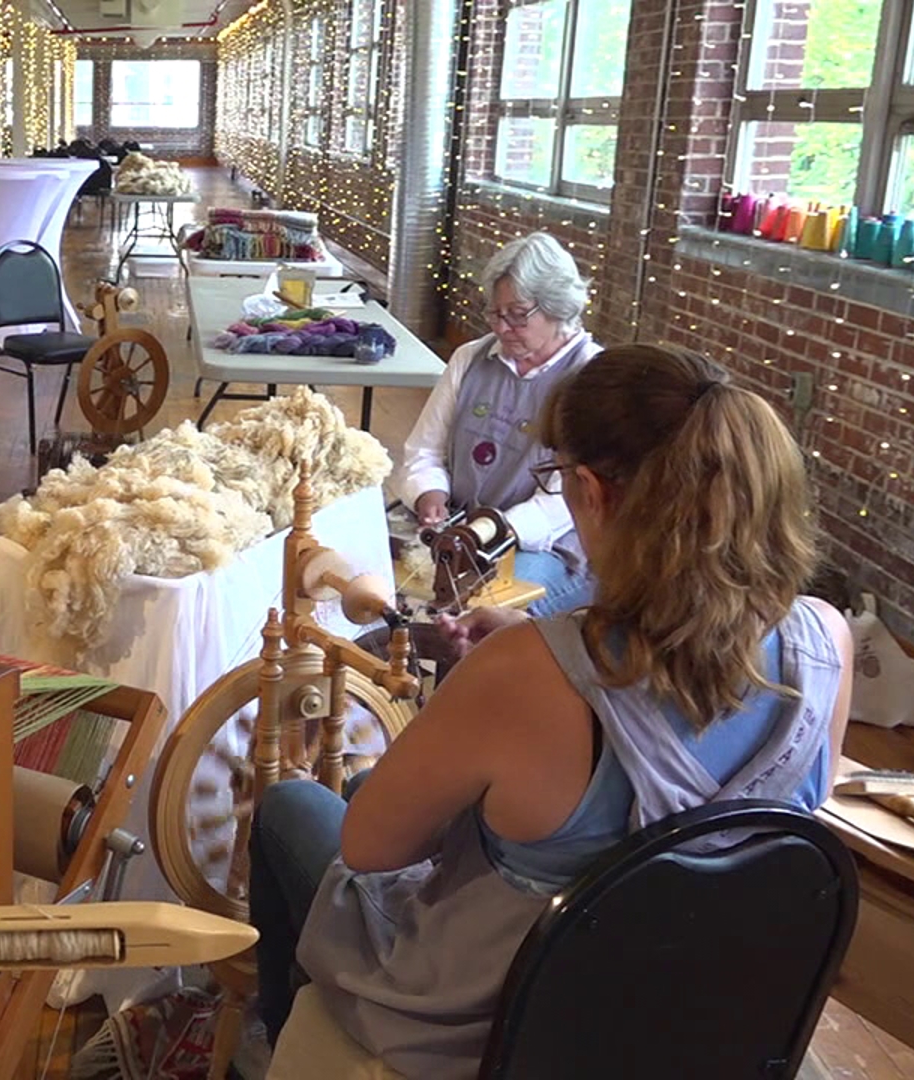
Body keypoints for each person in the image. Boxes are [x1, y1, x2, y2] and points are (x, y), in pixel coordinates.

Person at [249, 344, 854, 1076]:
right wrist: (540, 657)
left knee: (292, 807)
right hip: (690, 1023)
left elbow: (373, 852)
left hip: (501, 1035)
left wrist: (515, 673)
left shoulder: (527, 673)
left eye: (558, 478)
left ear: (592, 492)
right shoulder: (828, 640)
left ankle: (274, 1045)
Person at [396, 232, 604, 616]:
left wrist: (487, 531)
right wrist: (430, 494)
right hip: (456, 531)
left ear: (558, 307)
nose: (502, 327)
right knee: (381, 577)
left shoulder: (593, 377)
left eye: (517, 314)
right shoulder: (470, 358)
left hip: (542, 546)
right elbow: (424, 449)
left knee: (477, 612)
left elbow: (564, 503)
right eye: (495, 313)